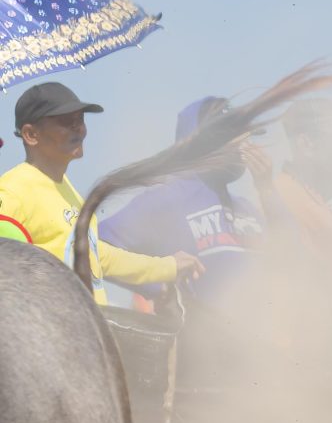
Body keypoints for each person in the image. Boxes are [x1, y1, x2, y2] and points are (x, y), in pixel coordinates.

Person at [0, 79, 202, 298]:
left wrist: (168, 267)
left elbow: (99, 256)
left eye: (80, 120)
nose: (78, 128)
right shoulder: (12, 190)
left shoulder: (68, 191)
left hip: (88, 327)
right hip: (48, 329)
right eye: (66, 121)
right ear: (31, 135)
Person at [97, 94, 280, 308]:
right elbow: (94, 247)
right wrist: (159, 286)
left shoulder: (244, 207)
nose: (247, 147)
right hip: (205, 339)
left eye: (248, 138)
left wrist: (267, 188)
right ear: (205, 141)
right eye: (238, 138)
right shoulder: (168, 198)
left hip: (260, 338)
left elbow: (293, 261)